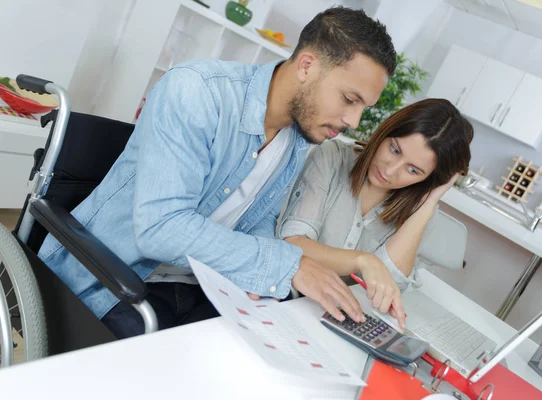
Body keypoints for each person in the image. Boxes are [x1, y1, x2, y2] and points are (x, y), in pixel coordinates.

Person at [37, 7, 397, 338]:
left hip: (202, 285)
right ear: (306, 66)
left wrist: (272, 279)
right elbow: (161, 229)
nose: (353, 121)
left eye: (363, 107)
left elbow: (258, 220)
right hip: (115, 283)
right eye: (350, 100)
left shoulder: (297, 139)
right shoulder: (198, 91)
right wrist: (288, 265)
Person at [278, 98, 474, 328]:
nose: (390, 170)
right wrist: (364, 261)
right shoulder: (331, 158)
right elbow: (293, 243)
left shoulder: (421, 213)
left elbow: (386, 291)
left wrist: (430, 203)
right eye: (394, 149)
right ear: (386, 130)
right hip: (282, 301)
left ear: (429, 178)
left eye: (413, 170)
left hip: (338, 324)